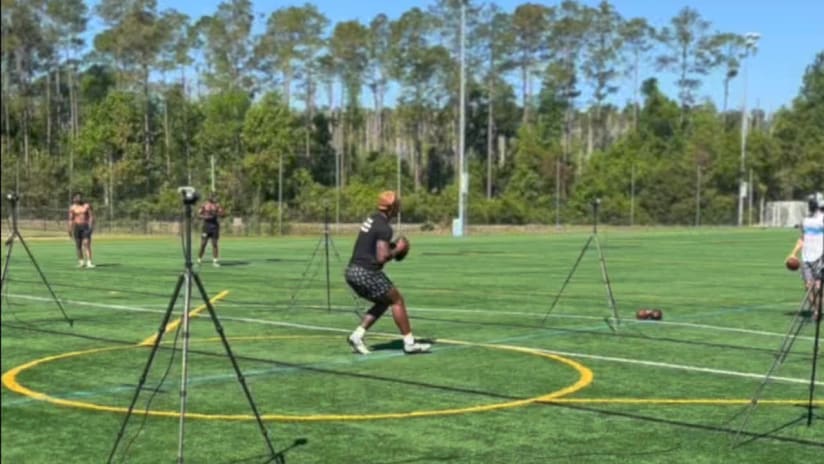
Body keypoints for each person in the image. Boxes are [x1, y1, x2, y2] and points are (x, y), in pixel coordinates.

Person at [345, 191, 431, 355]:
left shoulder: (373, 219)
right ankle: (409, 343)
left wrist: (391, 247)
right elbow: (381, 257)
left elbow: (374, 245)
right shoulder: (384, 227)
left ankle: (357, 336)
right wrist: (398, 249)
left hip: (352, 271)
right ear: (392, 207)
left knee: (384, 301)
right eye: (397, 203)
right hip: (365, 272)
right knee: (397, 300)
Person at [786, 192, 824, 320]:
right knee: (808, 286)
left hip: (820, 257)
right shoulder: (805, 221)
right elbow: (802, 239)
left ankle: (817, 312)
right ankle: (816, 310)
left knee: (818, 287)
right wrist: (793, 253)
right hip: (806, 257)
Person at [68, 192, 95, 268]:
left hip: (85, 226)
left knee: (86, 244)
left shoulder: (86, 206)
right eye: (76, 197)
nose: (78, 199)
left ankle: (89, 262)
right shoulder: (72, 208)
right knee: (78, 245)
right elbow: (70, 219)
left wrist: (91, 226)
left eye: (79, 197)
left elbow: (91, 216)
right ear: (74, 199)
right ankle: (81, 262)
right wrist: (69, 229)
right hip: (77, 227)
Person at [197, 193, 225, 267]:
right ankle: (199, 260)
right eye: (212, 197)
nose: (213, 198)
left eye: (214, 197)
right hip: (206, 227)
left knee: (214, 244)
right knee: (203, 244)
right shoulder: (204, 205)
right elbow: (199, 215)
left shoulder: (217, 206)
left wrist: (217, 214)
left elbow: (223, 214)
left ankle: (215, 261)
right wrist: (205, 217)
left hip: (215, 227)